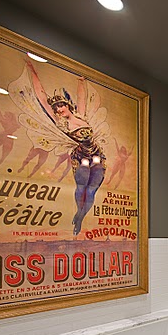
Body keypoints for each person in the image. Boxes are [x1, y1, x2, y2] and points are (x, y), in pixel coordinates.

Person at [24, 60, 107, 236]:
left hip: (97, 154)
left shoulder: (81, 116)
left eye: (60, 105)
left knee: (92, 189)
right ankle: (79, 215)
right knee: (82, 187)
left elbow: (81, 98)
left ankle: (80, 216)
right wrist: (33, 72)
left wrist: (81, 82)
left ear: (67, 105)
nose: (58, 109)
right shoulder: (60, 122)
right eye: (55, 108)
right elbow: (42, 98)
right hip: (81, 157)